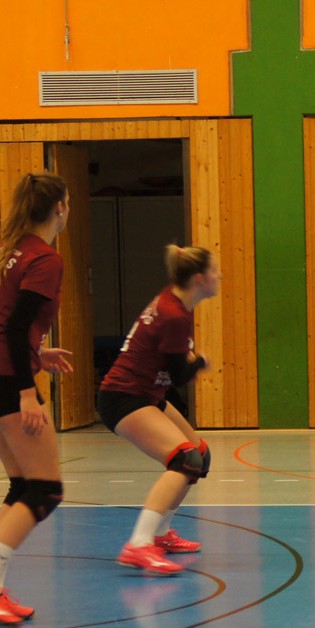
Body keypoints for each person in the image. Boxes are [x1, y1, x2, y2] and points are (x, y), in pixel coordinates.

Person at [0, 172, 74, 626]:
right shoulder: (44, 258)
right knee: (45, 489)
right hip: (5, 378)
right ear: (59, 208)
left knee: (22, 485)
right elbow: (17, 326)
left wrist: (37, 354)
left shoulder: (7, 251)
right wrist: (27, 391)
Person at [97, 245, 222, 575]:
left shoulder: (177, 302)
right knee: (184, 459)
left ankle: (161, 533)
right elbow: (179, 376)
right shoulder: (174, 314)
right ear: (199, 278)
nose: (219, 276)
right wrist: (200, 362)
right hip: (124, 397)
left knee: (199, 453)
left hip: (146, 392)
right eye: (215, 270)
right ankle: (139, 544)